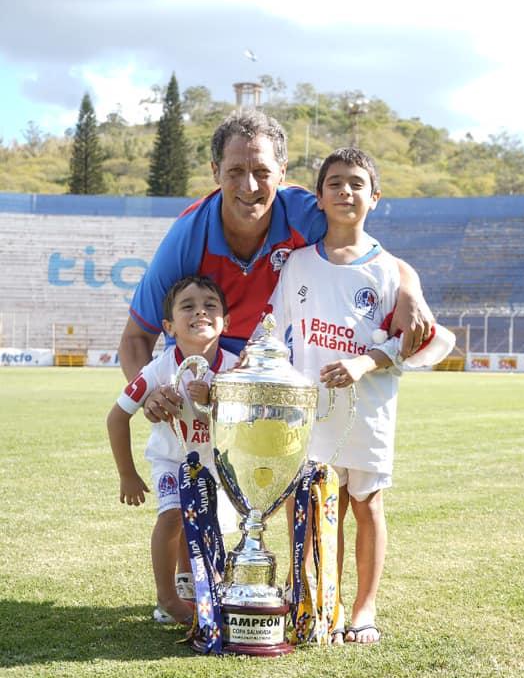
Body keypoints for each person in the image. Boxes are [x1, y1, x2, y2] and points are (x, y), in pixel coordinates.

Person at [118, 111, 433, 421]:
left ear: (282, 172)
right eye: (235, 171)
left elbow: (360, 247)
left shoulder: (303, 215)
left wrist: (407, 285)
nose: (250, 185)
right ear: (215, 171)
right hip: (201, 382)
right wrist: (149, 393)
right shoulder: (187, 237)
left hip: (278, 373)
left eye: (262, 172)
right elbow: (136, 338)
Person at [263, 147, 430, 645]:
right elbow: (275, 332)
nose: (346, 191)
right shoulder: (296, 265)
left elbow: (417, 343)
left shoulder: (392, 272)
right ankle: (320, 602)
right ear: (319, 196)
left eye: (357, 183)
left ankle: (364, 609)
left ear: (375, 198)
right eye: (335, 183)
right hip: (311, 413)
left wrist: (366, 361)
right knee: (315, 506)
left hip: (370, 411)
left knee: (367, 504)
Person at [107, 276, 237, 625]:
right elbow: (116, 417)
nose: (201, 312)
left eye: (211, 305)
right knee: (173, 516)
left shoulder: (236, 368)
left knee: (210, 525)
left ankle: (194, 585)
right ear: (169, 326)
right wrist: (127, 474)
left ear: (226, 320)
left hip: (214, 462)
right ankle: (167, 598)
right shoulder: (158, 369)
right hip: (170, 459)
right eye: (188, 306)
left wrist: (215, 399)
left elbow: (248, 421)